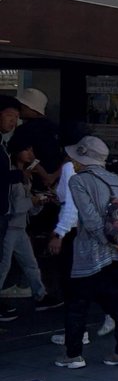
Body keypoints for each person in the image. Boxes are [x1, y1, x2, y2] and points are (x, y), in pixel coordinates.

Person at [55, 136, 118, 369]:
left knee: (77, 304)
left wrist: (108, 241)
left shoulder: (79, 181)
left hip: (90, 253)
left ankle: (73, 356)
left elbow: (90, 218)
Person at [0, 136, 50, 319]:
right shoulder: (11, 175)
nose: (30, 154)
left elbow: (28, 208)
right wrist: (34, 201)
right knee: (3, 265)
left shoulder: (25, 177)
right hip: (9, 227)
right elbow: (15, 206)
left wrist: (39, 202)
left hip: (20, 227)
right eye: (26, 150)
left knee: (30, 264)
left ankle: (40, 294)